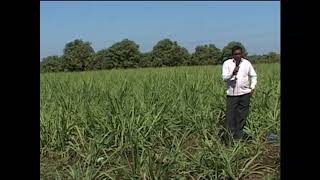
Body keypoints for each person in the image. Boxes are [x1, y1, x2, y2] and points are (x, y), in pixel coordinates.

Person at [221, 46, 257, 140]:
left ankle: (238, 139)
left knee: (241, 117)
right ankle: (229, 140)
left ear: (242, 54)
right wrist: (232, 73)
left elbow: (253, 76)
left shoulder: (246, 63)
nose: (238, 56)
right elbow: (224, 77)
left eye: (239, 54)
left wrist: (252, 87)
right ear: (232, 55)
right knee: (230, 117)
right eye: (235, 54)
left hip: (244, 94)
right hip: (232, 95)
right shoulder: (227, 63)